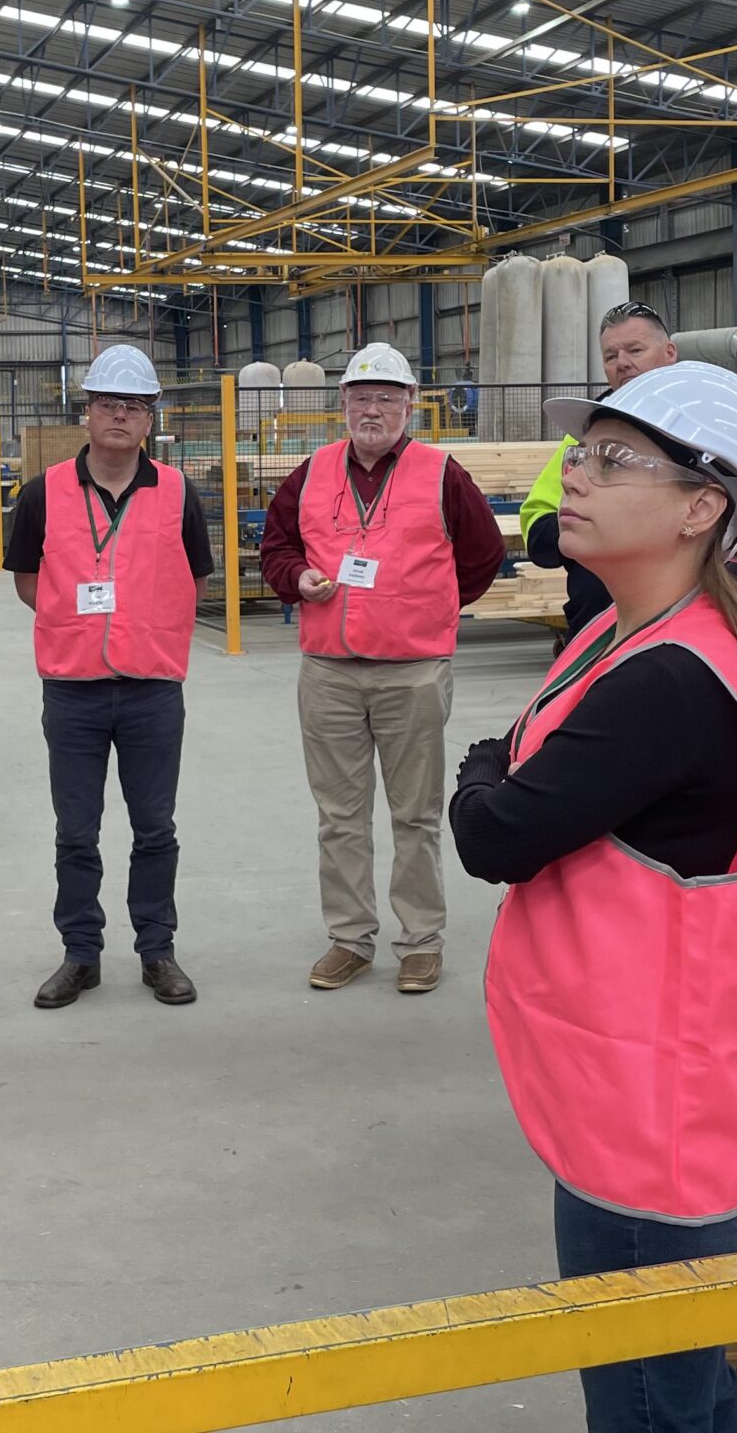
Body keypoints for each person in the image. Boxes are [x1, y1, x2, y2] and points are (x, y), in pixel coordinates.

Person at [453, 361, 737, 1433]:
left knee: (648, 1403)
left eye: (613, 461)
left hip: (652, 1118)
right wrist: (498, 763)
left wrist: (478, 770)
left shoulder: (668, 678)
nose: (576, 479)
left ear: (703, 508)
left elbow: (496, 829)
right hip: (638, 1079)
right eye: (579, 455)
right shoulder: (628, 633)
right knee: (688, 1390)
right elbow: (520, 763)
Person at [260, 342, 507, 993]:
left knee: (415, 815)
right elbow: (276, 546)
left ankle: (420, 941)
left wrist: (432, 608)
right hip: (330, 671)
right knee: (339, 815)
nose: (373, 410)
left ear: (409, 407)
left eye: (387, 398)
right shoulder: (310, 473)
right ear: (342, 404)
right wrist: (297, 578)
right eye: (362, 397)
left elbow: (481, 556)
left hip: (413, 671)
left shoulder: (442, 473)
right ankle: (350, 939)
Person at [5, 344, 216, 1009]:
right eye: (106, 404)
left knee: (156, 828)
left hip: (153, 688)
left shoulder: (178, 493)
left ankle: (158, 950)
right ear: (87, 413)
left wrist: (143, 625)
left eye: (133, 406)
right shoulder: (42, 494)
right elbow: (27, 582)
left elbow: (197, 578)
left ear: (150, 418)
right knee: (77, 831)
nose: (119, 416)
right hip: (73, 691)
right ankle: (80, 953)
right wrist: (80, 626)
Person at [519, 302, 678, 637]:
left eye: (635, 350)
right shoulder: (583, 434)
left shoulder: (701, 428)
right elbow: (539, 533)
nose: (623, 363)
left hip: (684, 621)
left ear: (669, 352)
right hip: (597, 627)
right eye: (610, 356)